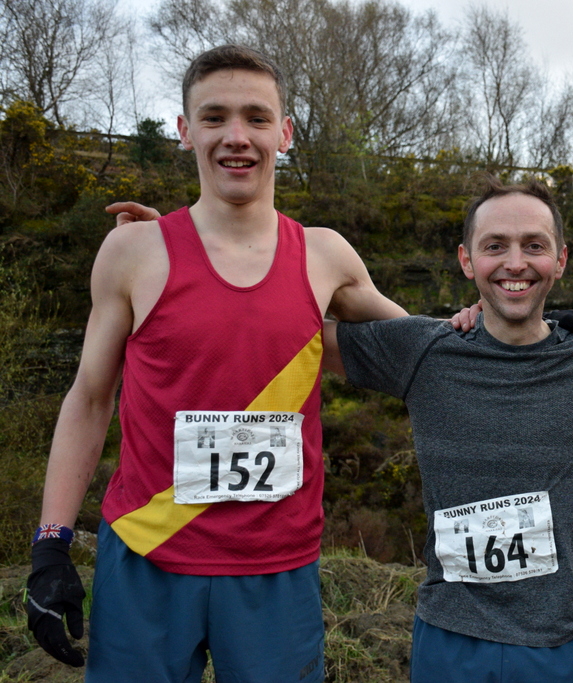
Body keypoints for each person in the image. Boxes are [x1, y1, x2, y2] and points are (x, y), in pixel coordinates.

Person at [25, 44, 406, 682]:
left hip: (276, 568)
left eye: (257, 118)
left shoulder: (326, 256)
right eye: (214, 117)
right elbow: (89, 398)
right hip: (147, 555)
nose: (237, 137)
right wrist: (51, 543)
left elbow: (420, 342)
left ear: (285, 133)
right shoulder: (132, 253)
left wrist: (518, 327)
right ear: (184, 131)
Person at [324, 176, 573, 683]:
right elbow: (291, 329)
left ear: (560, 260)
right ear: (467, 260)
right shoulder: (423, 350)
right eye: (495, 247)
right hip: (452, 641)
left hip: (567, 642)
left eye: (534, 246)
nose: (515, 263)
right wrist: (170, 258)